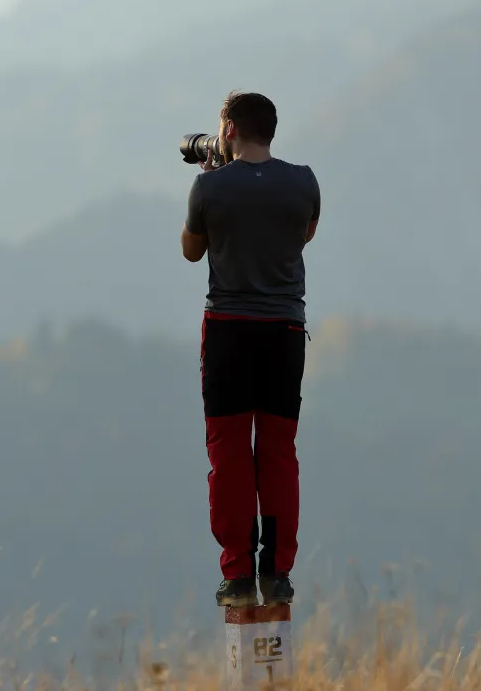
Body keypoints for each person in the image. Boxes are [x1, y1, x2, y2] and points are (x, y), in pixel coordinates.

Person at [179, 91, 321, 608]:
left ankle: (237, 572)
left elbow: (191, 251)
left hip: (228, 331)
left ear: (229, 128)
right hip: (284, 332)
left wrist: (213, 186)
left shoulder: (209, 187)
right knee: (279, 453)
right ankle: (277, 571)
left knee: (230, 452)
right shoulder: (304, 181)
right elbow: (302, 236)